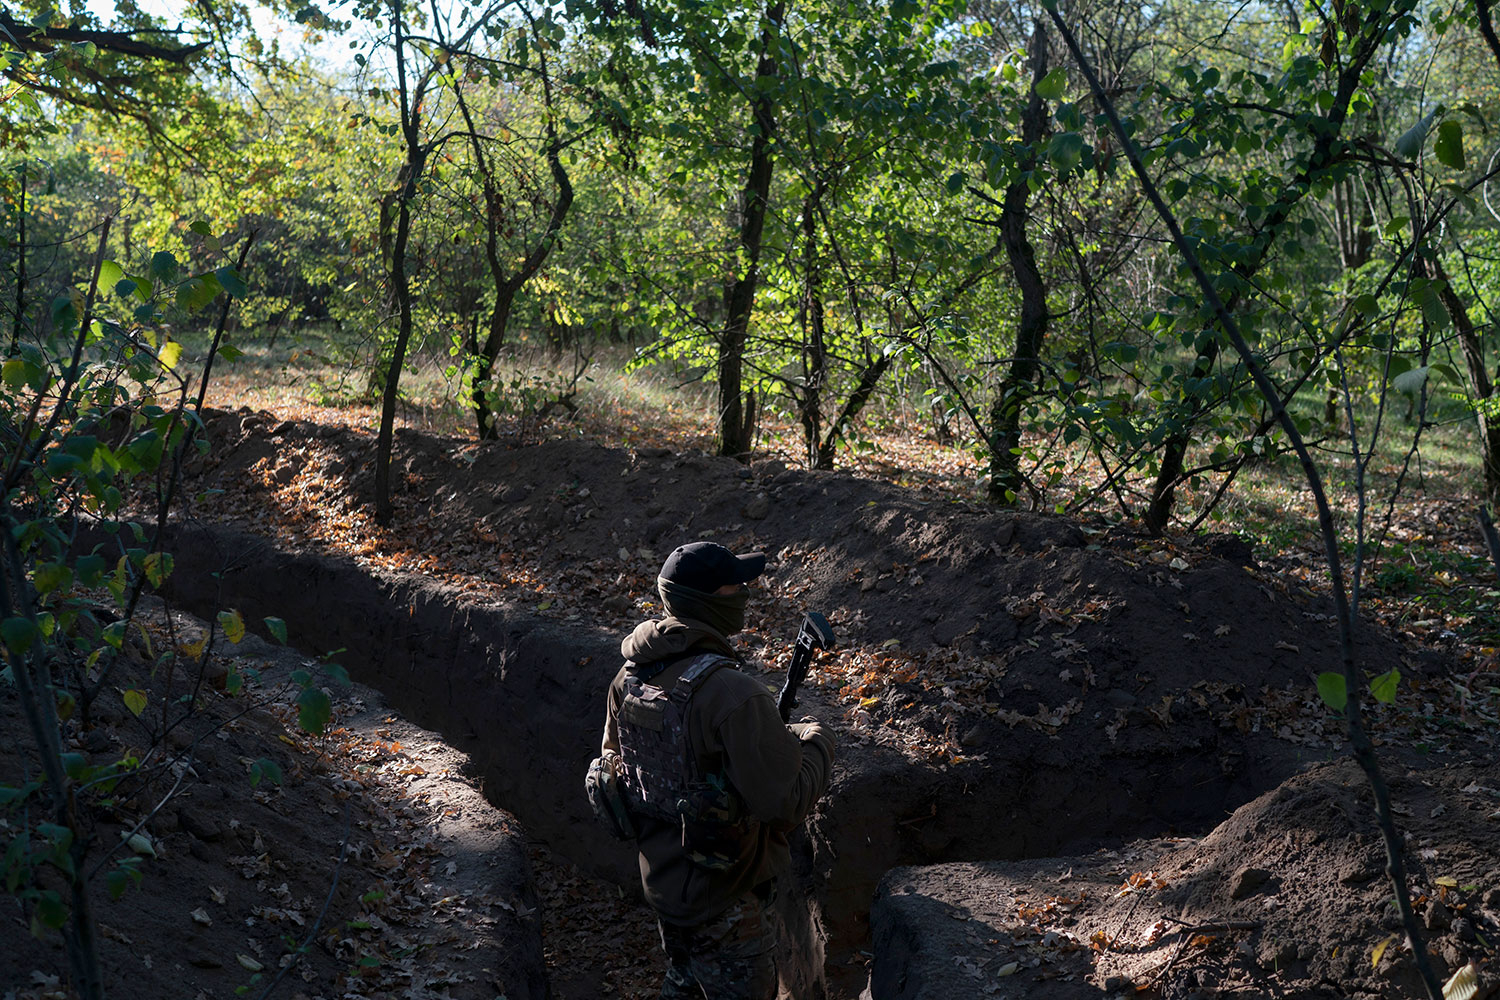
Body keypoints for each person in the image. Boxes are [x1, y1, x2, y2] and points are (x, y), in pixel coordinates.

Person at [595, 541, 835, 1000]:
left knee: (684, 983)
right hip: (726, 897)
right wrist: (819, 741)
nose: (745, 590)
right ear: (710, 601)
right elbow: (783, 804)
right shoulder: (732, 693)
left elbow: (626, 768)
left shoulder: (629, 677)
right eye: (735, 584)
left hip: (663, 884)